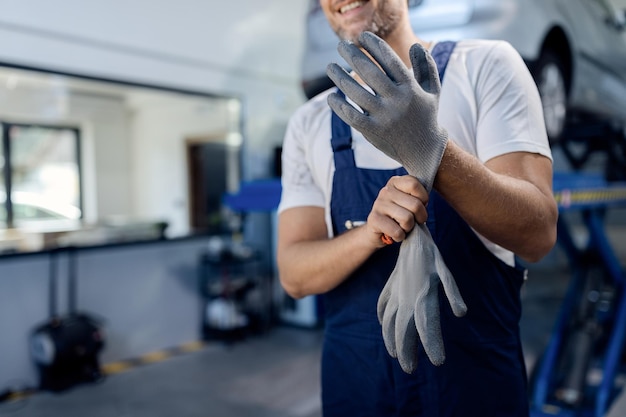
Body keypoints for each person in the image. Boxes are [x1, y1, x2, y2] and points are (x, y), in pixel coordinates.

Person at [276, 0, 559, 415]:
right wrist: (371, 233)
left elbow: (537, 235)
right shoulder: (310, 122)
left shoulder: (485, 67)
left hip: (475, 391)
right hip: (357, 390)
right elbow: (295, 275)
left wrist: (433, 151)